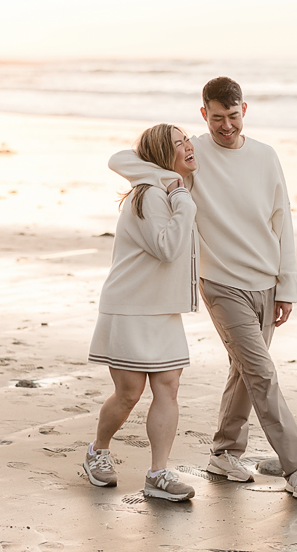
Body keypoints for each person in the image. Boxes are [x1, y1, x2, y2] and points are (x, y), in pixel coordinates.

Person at [109, 77, 297, 498]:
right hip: (221, 283)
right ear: (203, 114)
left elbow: (284, 220)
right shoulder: (190, 156)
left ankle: (224, 453)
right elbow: (120, 159)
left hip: (266, 281)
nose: (226, 126)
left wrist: (287, 285)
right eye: (217, 117)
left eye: (233, 116)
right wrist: (168, 180)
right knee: (262, 372)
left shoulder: (265, 155)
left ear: (245, 111)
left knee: (244, 371)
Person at [83, 123, 199, 502]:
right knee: (129, 393)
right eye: (179, 144)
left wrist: (176, 186)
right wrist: (182, 198)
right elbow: (167, 247)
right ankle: (97, 450)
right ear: (164, 156)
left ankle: (158, 473)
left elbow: (121, 159)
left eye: (188, 140)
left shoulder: (166, 185)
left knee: (168, 388)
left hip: (163, 309)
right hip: (131, 306)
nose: (188, 147)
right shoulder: (151, 195)